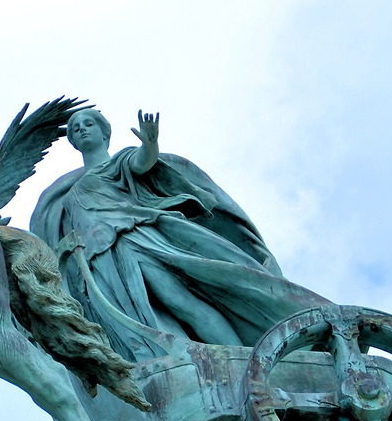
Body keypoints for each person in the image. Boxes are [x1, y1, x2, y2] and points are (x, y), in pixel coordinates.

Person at [30, 108, 323, 362]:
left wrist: (150, 143)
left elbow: (141, 163)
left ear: (105, 133)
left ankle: (241, 358)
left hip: (134, 241)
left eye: (88, 124)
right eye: (75, 128)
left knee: (180, 300)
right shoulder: (65, 190)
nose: (81, 129)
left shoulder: (118, 162)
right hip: (99, 260)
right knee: (132, 323)